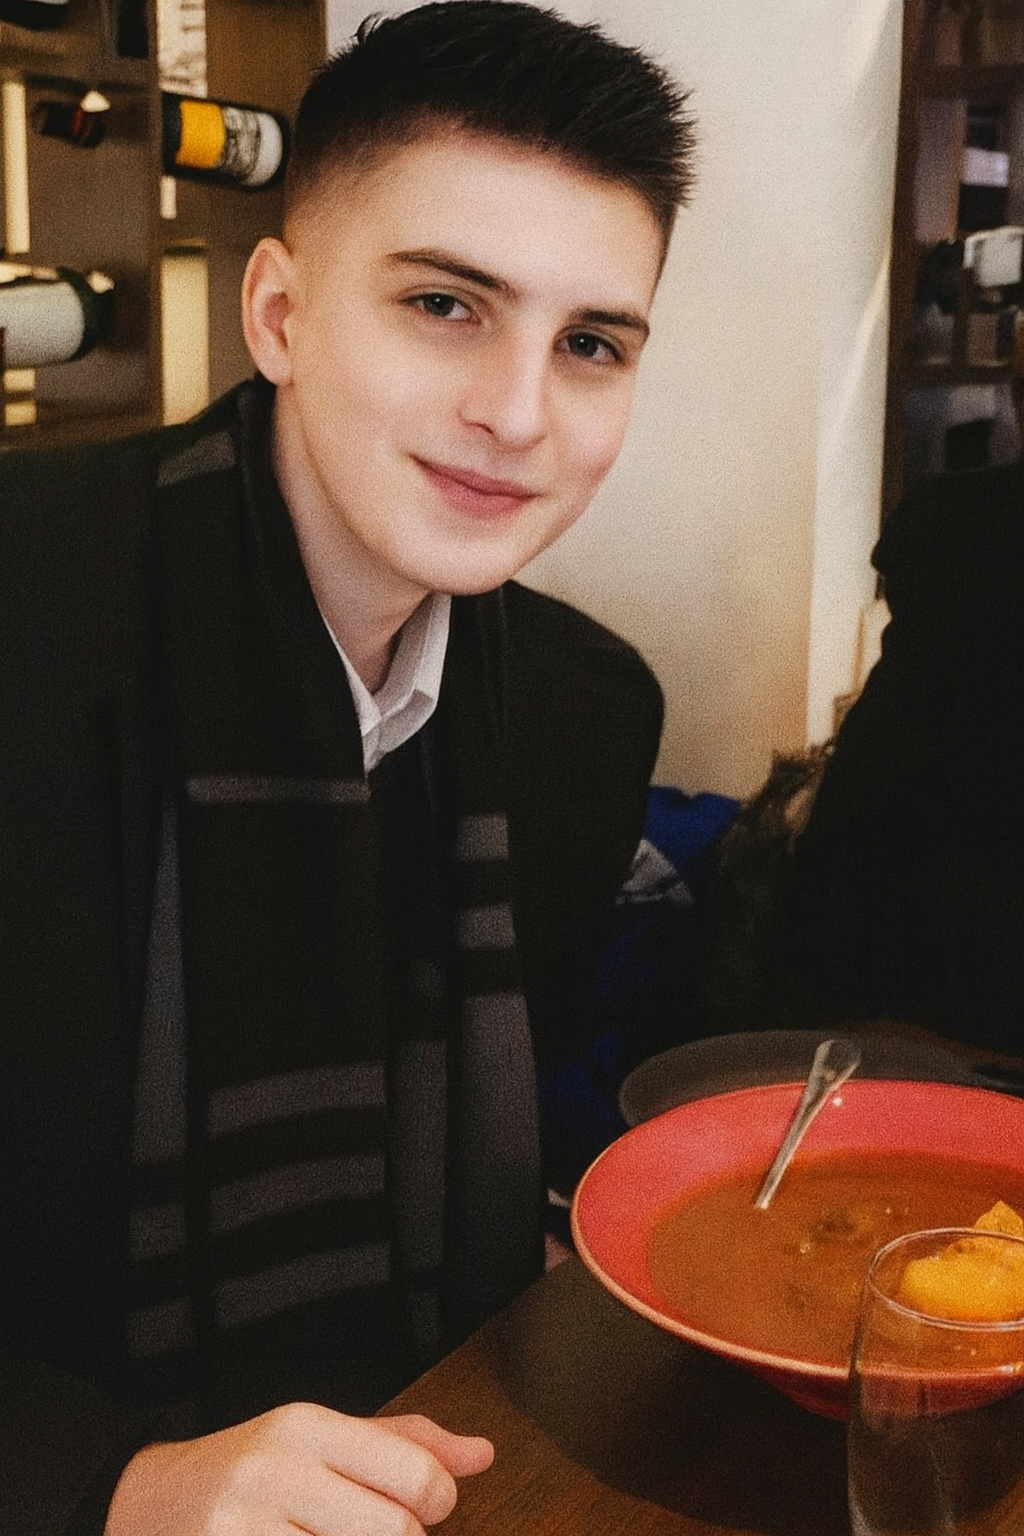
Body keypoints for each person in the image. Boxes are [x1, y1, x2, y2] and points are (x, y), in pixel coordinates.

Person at [0, 3, 696, 1531]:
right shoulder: (31, 622)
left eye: (590, 344)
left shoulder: (583, 717)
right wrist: (114, 1484)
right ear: (279, 314)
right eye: (446, 305)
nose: (518, 415)